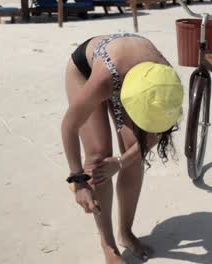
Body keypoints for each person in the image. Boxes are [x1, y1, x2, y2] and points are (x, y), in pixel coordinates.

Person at [61, 33, 183, 264]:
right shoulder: (103, 82)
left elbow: (156, 134)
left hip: (136, 75)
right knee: (98, 156)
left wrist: (121, 162)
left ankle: (125, 232)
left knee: (131, 155)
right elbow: (68, 126)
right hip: (88, 70)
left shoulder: (168, 88)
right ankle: (108, 245)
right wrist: (78, 181)